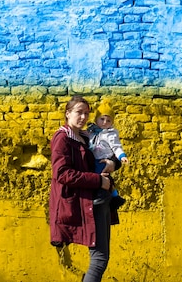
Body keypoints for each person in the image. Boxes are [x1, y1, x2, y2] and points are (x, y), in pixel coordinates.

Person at [49, 95, 122, 282]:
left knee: (100, 258)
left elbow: (106, 155)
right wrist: (98, 181)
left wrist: (113, 163)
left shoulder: (86, 136)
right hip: (86, 202)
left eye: (86, 114)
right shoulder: (62, 138)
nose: (83, 117)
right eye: (79, 112)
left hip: (98, 200)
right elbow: (62, 174)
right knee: (99, 259)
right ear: (68, 113)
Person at [87, 101, 129, 209]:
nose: (105, 122)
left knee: (101, 175)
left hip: (104, 159)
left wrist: (122, 156)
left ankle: (107, 196)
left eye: (108, 120)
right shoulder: (91, 131)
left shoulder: (110, 134)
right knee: (102, 176)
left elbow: (116, 146)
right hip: (94, 159)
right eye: (102, 119)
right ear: (96, 119)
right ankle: (115, 196)